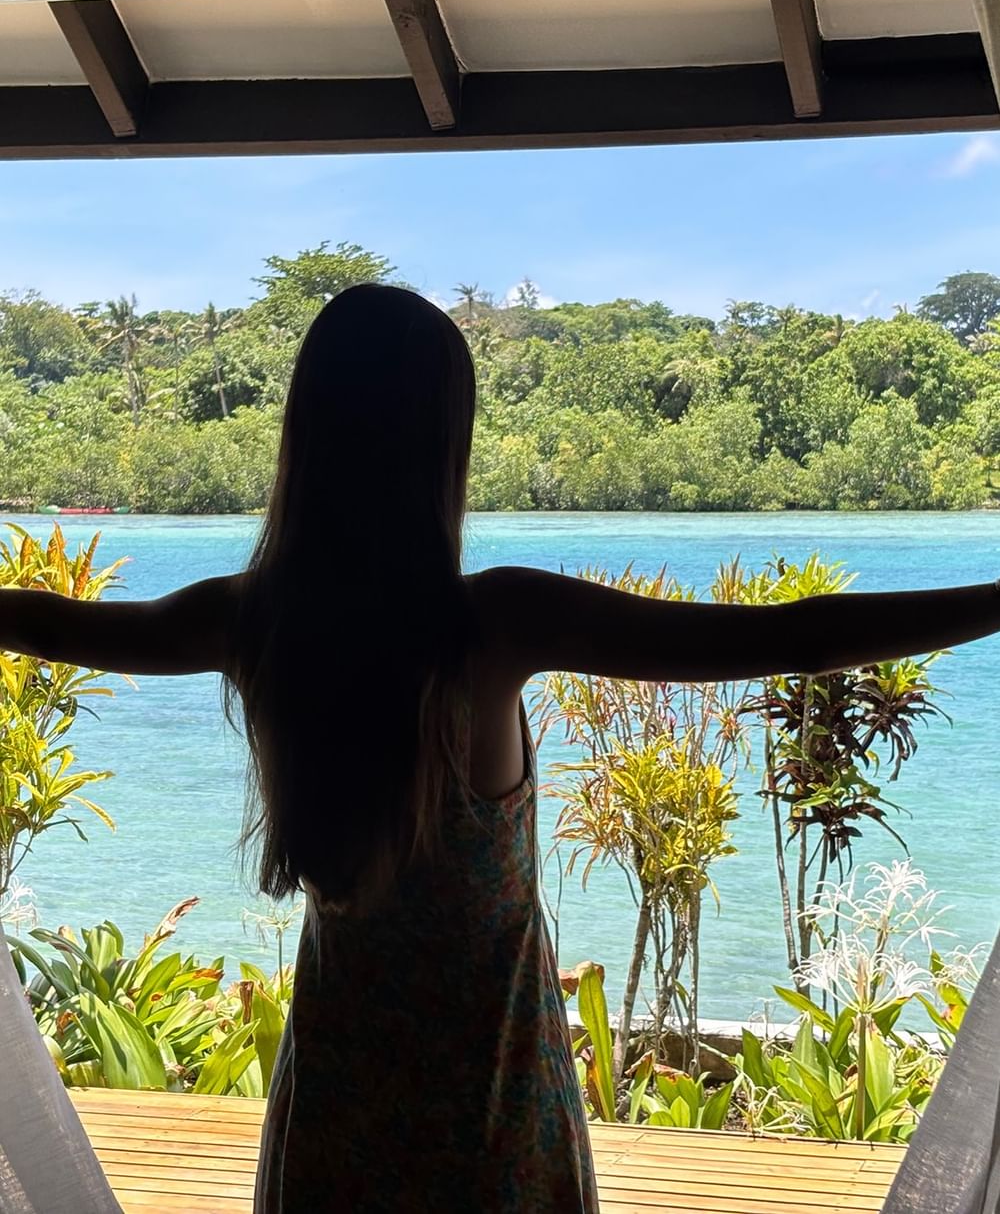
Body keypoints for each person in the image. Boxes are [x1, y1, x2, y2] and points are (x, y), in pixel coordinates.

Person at [3, 283, 1000, 1213]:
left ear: (305, 444)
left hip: (338, 1113)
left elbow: (47, 622)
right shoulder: (495, 625)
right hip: (491, 1113)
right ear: (444, 449)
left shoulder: (250, 622)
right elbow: (795, 636)